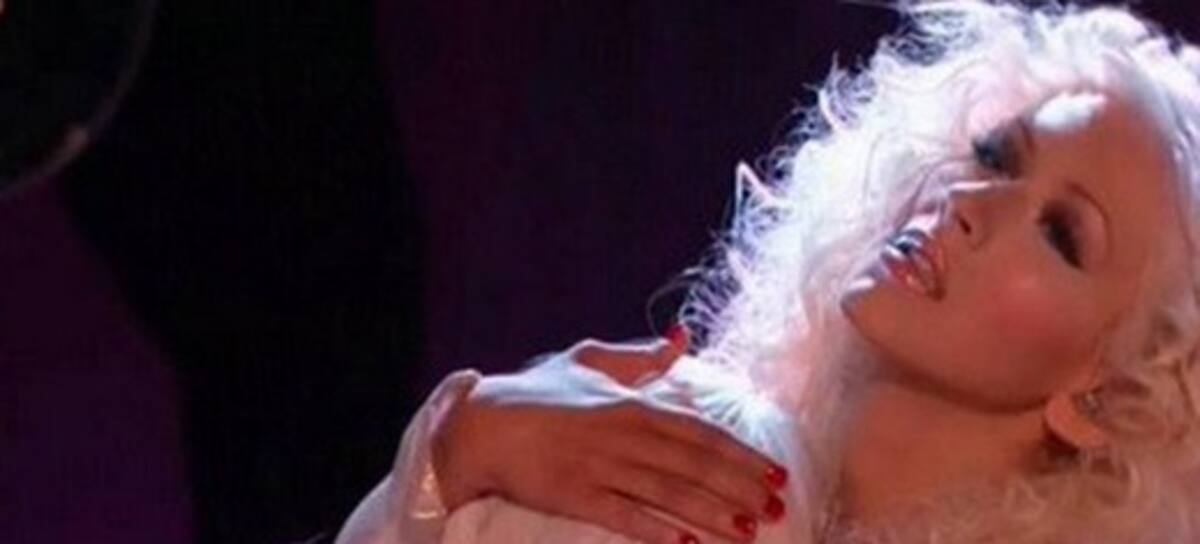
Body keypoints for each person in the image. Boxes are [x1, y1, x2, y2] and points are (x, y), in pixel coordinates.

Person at [339, 1, 1200, 542]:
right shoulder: (668, 432)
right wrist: (455, 453)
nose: (969, 201)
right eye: (997, 156)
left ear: (1111, 391)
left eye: (1060, 233)